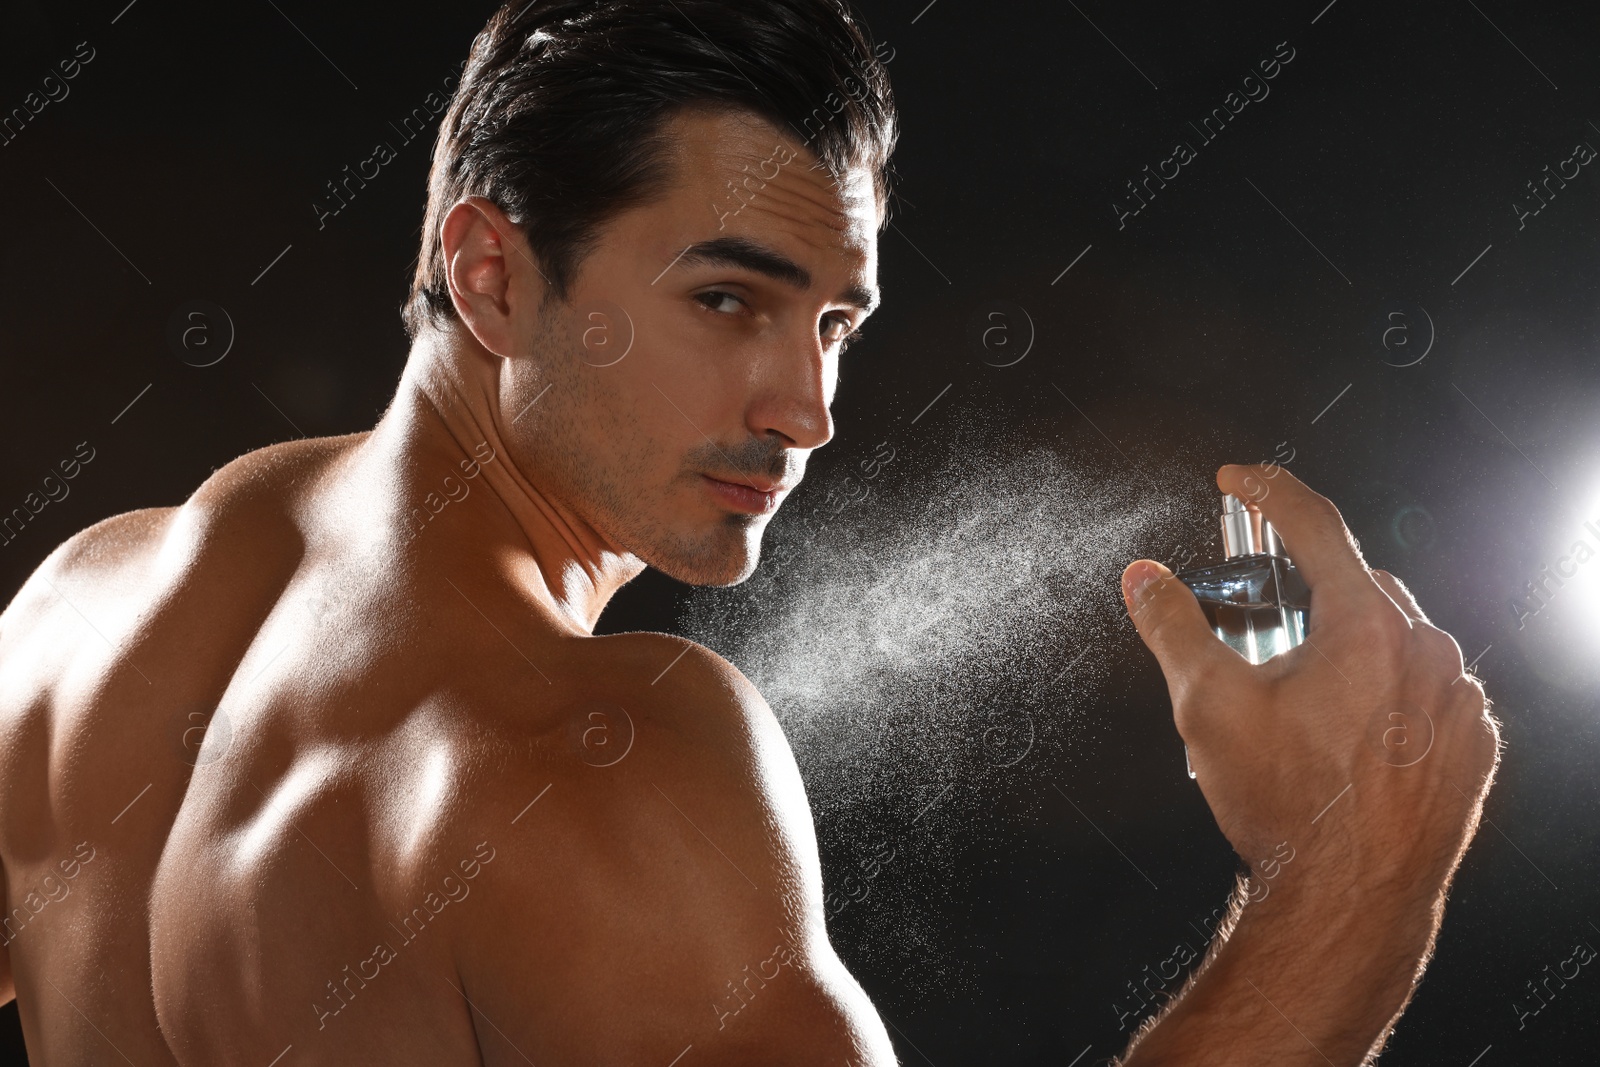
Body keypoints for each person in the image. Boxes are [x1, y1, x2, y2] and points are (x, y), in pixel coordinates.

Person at [0, 0, 1500, 1063]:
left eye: (833, 320)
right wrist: (1343, 887)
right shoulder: (600, 755)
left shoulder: (80, 610)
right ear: (492, 276)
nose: (808, 409)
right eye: (730, 300)